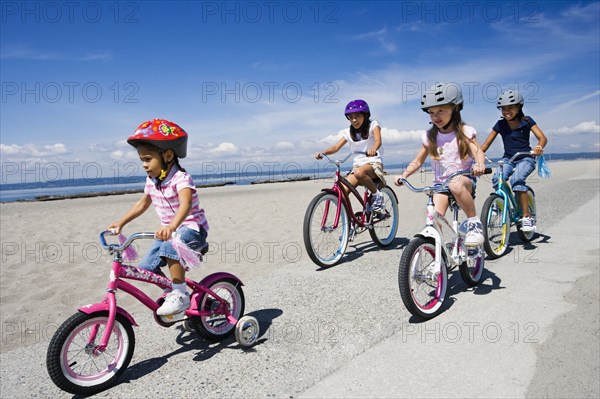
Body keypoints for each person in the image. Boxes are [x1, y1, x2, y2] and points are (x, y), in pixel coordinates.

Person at [108, 118, 209, 316]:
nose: (144, 165)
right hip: (169, 232)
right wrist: (121, 222)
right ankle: (170, 291)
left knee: (168, 247)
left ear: (168, 155)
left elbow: (186, 204)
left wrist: (171, 227)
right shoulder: (152, 180)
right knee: (146, 268)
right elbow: (142, 203)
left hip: (192, 228)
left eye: (147, 159)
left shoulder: (181, 178)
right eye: (142, 160)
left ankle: (180, 295)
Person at [394, 83, 486, 246]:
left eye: (441, 110)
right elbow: (417, 161)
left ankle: (473, 223)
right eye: (431, 113)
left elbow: (478, 151)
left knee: (455, 184)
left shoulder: (464, 132)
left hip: (464, 181)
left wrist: (479, 164)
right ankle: (436, 254)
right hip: (441, 184)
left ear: (455, 108)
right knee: (433, 218)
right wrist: (404, 175)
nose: (436, 116)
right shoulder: (430, 136)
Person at [480, 89, 548, 232]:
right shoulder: (500, 124)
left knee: (516, 180)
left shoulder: (527, 121)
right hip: (508, 159)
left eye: (510, 107)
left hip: (526, 158)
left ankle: (526, 217)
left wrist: (539, 147)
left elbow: (542, 138)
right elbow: (486, 144)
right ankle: (499, 206)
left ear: (519, 107)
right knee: (498, 178)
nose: (506, 111)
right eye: (503, 109)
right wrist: (476, 155)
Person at [315, 99, 386, 210]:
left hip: (373, 163)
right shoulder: (348, 132)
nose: (354, 120)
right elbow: (335, 147)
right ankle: (349, 223)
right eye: (351, 117)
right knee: (342, 193)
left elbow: (378, 140)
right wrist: (323, 153)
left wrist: (373, 149)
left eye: (357, 116)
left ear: (365, 115)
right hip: (357, 168)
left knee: (359, 172)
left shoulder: (373, 125)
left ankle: (377, 195)